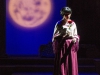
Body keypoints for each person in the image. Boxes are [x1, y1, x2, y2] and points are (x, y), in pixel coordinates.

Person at [52, 7, 80, 75]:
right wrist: (62, 36)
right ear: (63, 14)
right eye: (66, 14)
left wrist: (75, 39)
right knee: (62, 64)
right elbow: (54, 36)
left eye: (69, 14)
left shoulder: (73, 23)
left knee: (71, 63)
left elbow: (76, 34)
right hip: (62, 46)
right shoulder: (59, 24)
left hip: (70, 46)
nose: (68, 16)